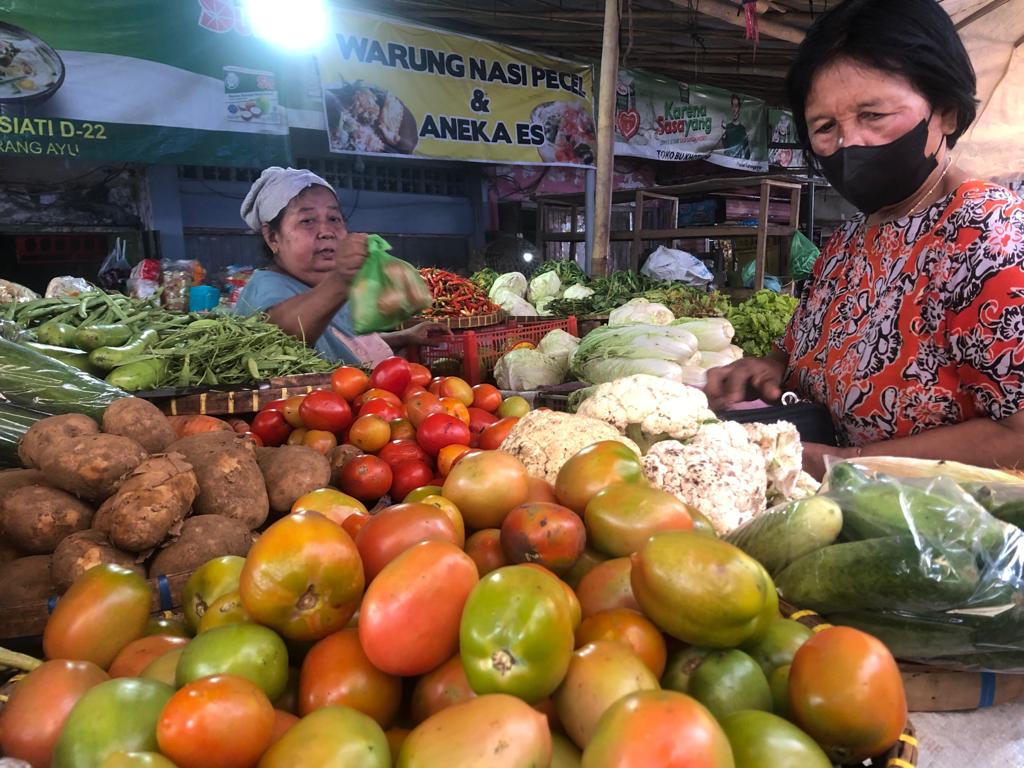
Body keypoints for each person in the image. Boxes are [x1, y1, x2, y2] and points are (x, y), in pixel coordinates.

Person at [705, 0, 1024, 478]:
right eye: (825, 127)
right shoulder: (848, 241)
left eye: (873, 114)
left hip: (942, 520)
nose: (849, 143)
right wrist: (769, 368)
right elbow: (800, 355)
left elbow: (1019, 435)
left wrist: (845, 465)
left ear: (947, 113)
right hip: (833, 509)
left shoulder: (991, 237)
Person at [235, 167, 448, 365]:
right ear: (272, 237)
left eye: (334, 218)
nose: (326, 231)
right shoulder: (266, 288)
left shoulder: (322, 287)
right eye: (307, 221)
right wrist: (341, 280)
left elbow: (341, 341)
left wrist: (405, 336)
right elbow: (279, 337)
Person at [719, 94, 751, 159]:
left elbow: (747, 152)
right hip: (728, 161)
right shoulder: (727, 127)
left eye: (736, 106)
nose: (734, 109)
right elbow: (724, 147)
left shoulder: (743, 129)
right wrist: (723, 132)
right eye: (732, 106)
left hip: (739, 162)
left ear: (740, 108)